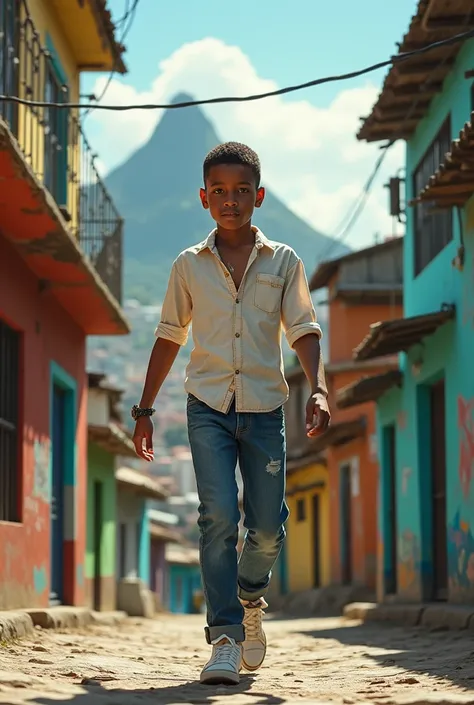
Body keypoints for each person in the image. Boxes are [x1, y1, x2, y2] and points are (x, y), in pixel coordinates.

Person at [131, 141, 330, 686]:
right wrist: (145, 409)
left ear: (259, 196)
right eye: (219, 190)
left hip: (266, 410)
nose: (231, 200)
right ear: (203, 198)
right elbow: (169, 337)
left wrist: (318, 388)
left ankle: (250, 599)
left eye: (242, 190)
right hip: (208, 408)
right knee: (217, 517)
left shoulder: (285, 262)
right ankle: (224, 638)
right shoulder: (187, 267)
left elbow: (304, 330)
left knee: (267, 529)